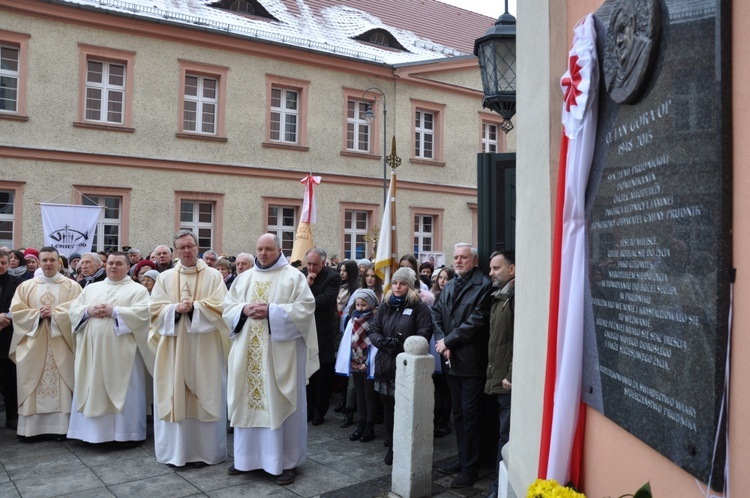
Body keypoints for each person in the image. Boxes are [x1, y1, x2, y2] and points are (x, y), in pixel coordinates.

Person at [223, 233, 319, 485]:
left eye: (268, 249)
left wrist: (272, 311)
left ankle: (286, 462)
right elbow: (227, 308)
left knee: (280, 404)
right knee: (248, 401)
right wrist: (243, 310)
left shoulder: (293, 277)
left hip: (280, 357)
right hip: (248, 356)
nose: (263, 253)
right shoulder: (243, 278)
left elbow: (306, 309)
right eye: (259, 249)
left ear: (279, 250)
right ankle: (246, 459)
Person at [148, 230, 229, 468]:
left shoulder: (214, 276)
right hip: (173, 347)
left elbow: (223, 308)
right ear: (175, 251)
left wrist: (195, 307)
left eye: (190, 246)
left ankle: (205, 452)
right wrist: (175, 310)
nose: (186, 251)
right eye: (181, 247)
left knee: (207, 393)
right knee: (173, 394)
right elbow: (153, 311)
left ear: (198, 247)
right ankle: (176, 453)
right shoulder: (165, 278)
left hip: (205, 348)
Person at [67, 252, 151, 445]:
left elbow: (144, 315)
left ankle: (126, 435)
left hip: (123, 355)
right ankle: (90, 434)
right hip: (93, 353)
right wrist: (88, 311)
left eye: (118, 263)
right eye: (110, 263)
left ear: (127, 266)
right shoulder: (92, 288)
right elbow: (74, 309)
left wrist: (115, 311)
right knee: (91, 386)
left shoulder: (137, 290)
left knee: (124, 389)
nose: (113, 266)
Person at [432, 243, 494, 489]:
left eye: (463, 258)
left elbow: (477, 321)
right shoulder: (451, 284)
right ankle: (462, 458)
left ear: (475, 261)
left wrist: (449, 340)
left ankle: (471, 468)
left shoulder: (484, 285)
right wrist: (441, 341)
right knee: (457, 414)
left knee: (470, 417)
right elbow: (436, 313)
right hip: (450, 360)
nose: (458, 261)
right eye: (455, 257)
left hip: (471, 362)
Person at [9, 246, 82, 439]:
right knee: (33, 381)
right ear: (39, 263)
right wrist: (37, 315)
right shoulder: (26, 286)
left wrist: (56, 314)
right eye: (45, 260)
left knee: (63, 381)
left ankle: (61, 429)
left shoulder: (72, 286)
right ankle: (31, 430)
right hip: (34, 344)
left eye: (52, 260)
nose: (48, 263)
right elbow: (17, 313)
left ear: (59, 262)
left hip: (61, 344)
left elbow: (79, 310)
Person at [369, 267, 433, 465]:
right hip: (385, 364)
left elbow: (424, 332)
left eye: (403, 283)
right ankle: (392, 445)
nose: (398, 286)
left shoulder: (419, 307)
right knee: (389, 409)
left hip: (405, 366)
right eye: (395, 282)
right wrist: (382, 342)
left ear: (410, 286)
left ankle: (406, 445)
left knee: (406, 409)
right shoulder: (385, 305)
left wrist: (405, 345)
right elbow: (374, 329)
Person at [485, 250, 515, 498]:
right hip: (499, 376)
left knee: (506, 437)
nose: (491, 273)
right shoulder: (500, 296)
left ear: (512, 269)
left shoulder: (515, 296)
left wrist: (512, 374)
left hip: (508, 381)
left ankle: (500, 488)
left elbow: (521, 338)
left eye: (496, 268)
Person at [334, 288, 379, 443]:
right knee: (359, 394)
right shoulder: (353, 319)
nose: (360, 308)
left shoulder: (374, 320)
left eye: (364, 305)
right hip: (355, 361)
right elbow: (348, 340)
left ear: (371, 305)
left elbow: (375, 344)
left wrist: (368, 363)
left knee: (369, 395)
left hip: (367, 363)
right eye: (358, 305)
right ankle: (361, 423)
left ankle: (369, 425)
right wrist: (348, 360)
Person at [302, 247, 341, 426]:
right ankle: (308, 409)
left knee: (323, 375)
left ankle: (320, 411)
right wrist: (306, 285)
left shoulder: (333, 277)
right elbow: (294, 299)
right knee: (308, 374)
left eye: (314, 265)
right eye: (308, 264)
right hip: (305, 331)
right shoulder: (302, 276)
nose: (311, 268)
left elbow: (324, 301)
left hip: (323, 332)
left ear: (323, 263)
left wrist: (306, 293)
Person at [431, 266, 455, 438]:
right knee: (438, 386)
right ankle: (437, 416)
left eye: (446, 278)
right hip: (435, 343)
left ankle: (444, 420)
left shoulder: (450, 296)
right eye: (440, 277)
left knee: (445, 387)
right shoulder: (433, 296)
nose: (442, 281)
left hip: (445, 344)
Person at [0, 250, 22, 429]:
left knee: (11, 380)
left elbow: (22, 306)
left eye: (3, 263)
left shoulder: (18, 284)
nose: (1, 266)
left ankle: (12, 417)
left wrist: (6, 318)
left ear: (9, 263)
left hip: (10, 336)